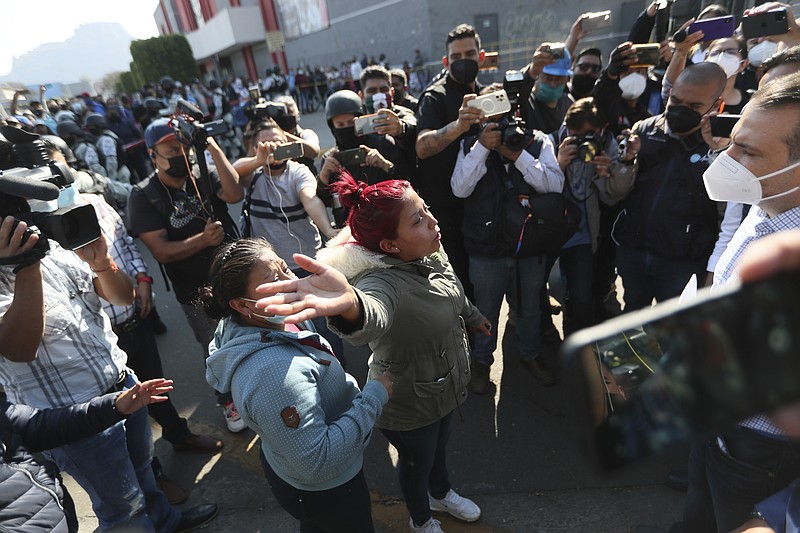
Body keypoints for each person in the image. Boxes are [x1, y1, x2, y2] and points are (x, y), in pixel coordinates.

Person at [256, 173, 489, 533]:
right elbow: (373, 313)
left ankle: (440, 493)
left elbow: (451, 288)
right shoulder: (380, 281)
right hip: (409, 401)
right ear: (390, 246)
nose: (433, 221)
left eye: (425, 209)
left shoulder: (428, 247)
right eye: (418, 220)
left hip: (446, 387)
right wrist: (351, 306)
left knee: (438, 451)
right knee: (417, 464)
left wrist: (473, 316)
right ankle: (421, 518)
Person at [669, 70, 800, 533]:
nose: (729, 157)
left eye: (748, 151)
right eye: (734, 140)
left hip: (756, 443)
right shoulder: (768, 200)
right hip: (715, 419)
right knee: (697, 509)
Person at [200, 237, 390, 533]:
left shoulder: (262, 320)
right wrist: (374, 395)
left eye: (284, 269)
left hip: (292, 473)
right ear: (241, 304)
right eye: (273, 279)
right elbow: (318, 461)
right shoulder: (274, 376)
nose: (290, 281)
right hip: (327, 489)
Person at [127, 117, 246, 433]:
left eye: (183, 146)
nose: (180, 154)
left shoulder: (203, 175)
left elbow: (234, 194)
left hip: (234, 275)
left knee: (252, 332)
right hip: (194, 289)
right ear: (153, 155)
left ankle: (255, 389)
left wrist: (211, 146)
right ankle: (228, 401)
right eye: (170, 149)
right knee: (214, 347)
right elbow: (161, 251)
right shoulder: (144, 196)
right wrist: (203, 240)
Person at [450, 84, 565, 392]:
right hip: (486, 249)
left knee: (530, 307)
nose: (498, 123)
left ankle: (529, 355)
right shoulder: (470, 145)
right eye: (490, 116)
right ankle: (482, 365)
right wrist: (483, 148)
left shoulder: (536, 141)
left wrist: (517, 155)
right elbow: (459, 189)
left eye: (503, 113)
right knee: (484, 311)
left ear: (514, 110)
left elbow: (554, 186)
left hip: (529, 245)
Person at [612, 62, 727, 311]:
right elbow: (616, 192)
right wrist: (627, 160)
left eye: (694, 106)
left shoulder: (725, 147)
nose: (681, 110)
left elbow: (727, 213)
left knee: (676, 329)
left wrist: (719, 153)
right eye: (676, 102)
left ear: (716, 106)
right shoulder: (643, 130)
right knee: (631, 319)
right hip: (635, 251)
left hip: (684, 260)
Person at [0, 378, 173, 532]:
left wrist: (113, 406)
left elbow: (37, 424)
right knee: (123, 511)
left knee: (142, 471)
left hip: (56, 518)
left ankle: (165, 522)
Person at [415, 23, 486, 294]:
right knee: (460, 286)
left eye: (469, 54)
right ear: (446, 61)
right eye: (456, 57)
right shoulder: (435, 97)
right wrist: (458, 126)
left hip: (485, 208)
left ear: (481, 56)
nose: (463, 61)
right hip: (448, 212)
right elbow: (421, 146)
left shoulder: (487, 94)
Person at [552, 97, 633, 333]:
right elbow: (537, 190)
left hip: (584, 236)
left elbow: (613, 197)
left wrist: (607, 172)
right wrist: (558, 166)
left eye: (586, 135)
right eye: (573, 133)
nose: (578, 141)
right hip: (552, 233)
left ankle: (582, 345)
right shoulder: (550, 142)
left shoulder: (606, 145)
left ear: (601, 130)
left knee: (582, 295)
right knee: (549, 288)